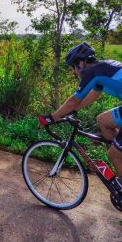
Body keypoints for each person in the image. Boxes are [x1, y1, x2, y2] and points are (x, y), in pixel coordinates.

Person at [38, 42, 122, 190]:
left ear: (81, 63)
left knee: (113, 155)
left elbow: (73, 100)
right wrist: (71, 111)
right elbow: (92, 96)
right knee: (103, 120)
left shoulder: (93, 72)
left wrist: (51, 117)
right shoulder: (101, 68)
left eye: (73, 67)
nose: (73, 72)